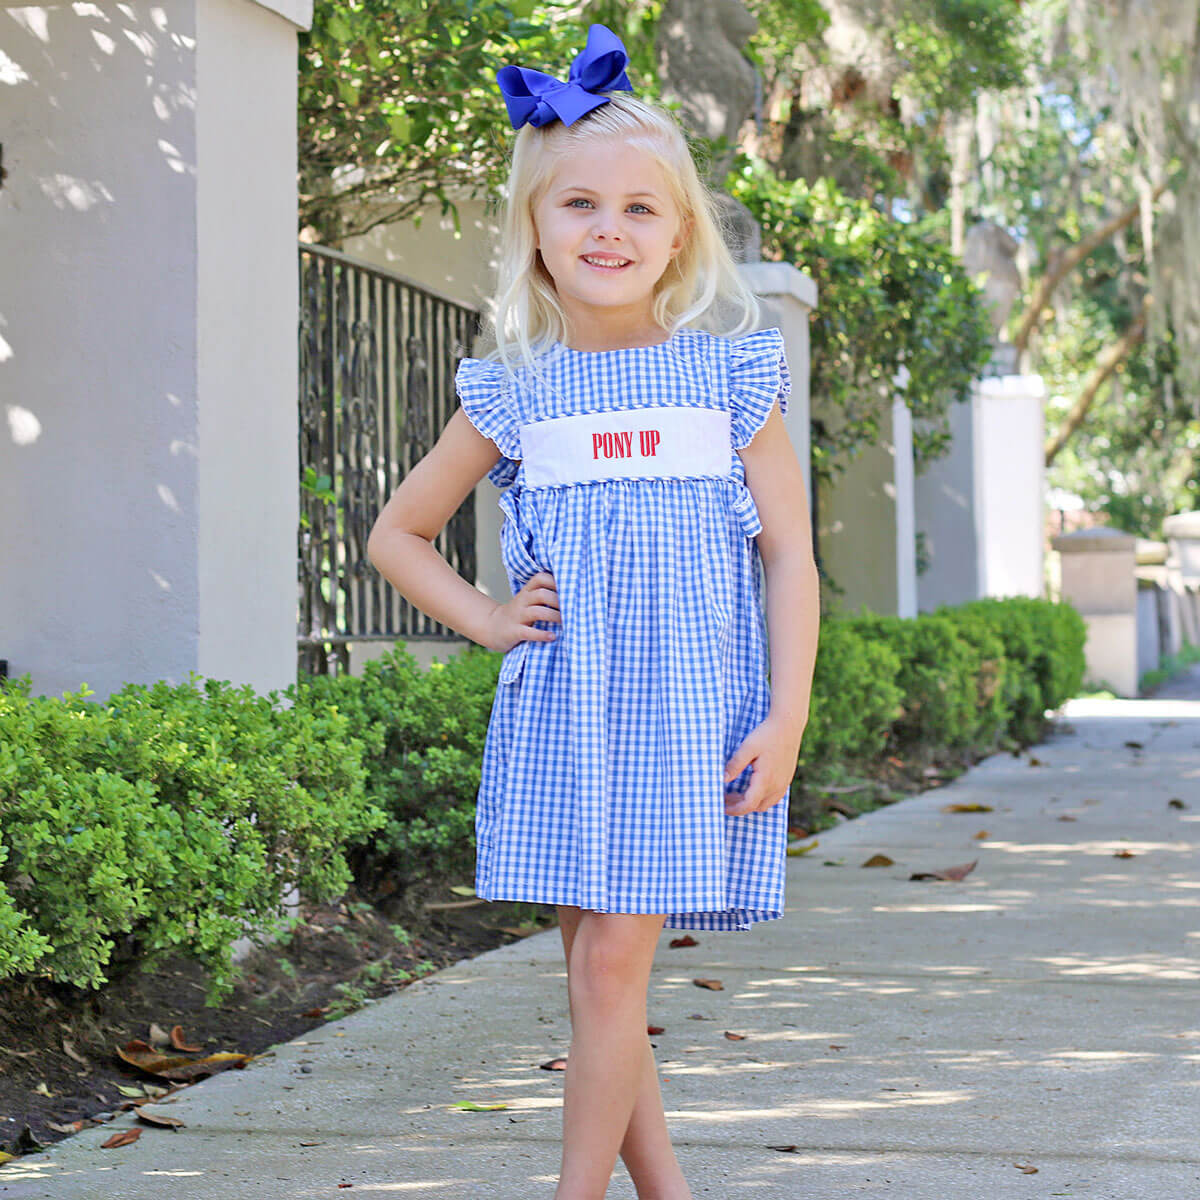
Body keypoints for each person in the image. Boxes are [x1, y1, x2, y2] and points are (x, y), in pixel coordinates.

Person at [366, 23, 820, 1200]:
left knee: (613, 968)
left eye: (638, 208)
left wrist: (787, 715)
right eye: (578, 204)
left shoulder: (730, 374)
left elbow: (791, 556)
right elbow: (396, 535)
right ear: (535, 226)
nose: (608, 229)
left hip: (687, 718)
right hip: (570, 715)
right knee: (596, 975)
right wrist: (488, 619)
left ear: (680, 235)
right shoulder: (515, 391)